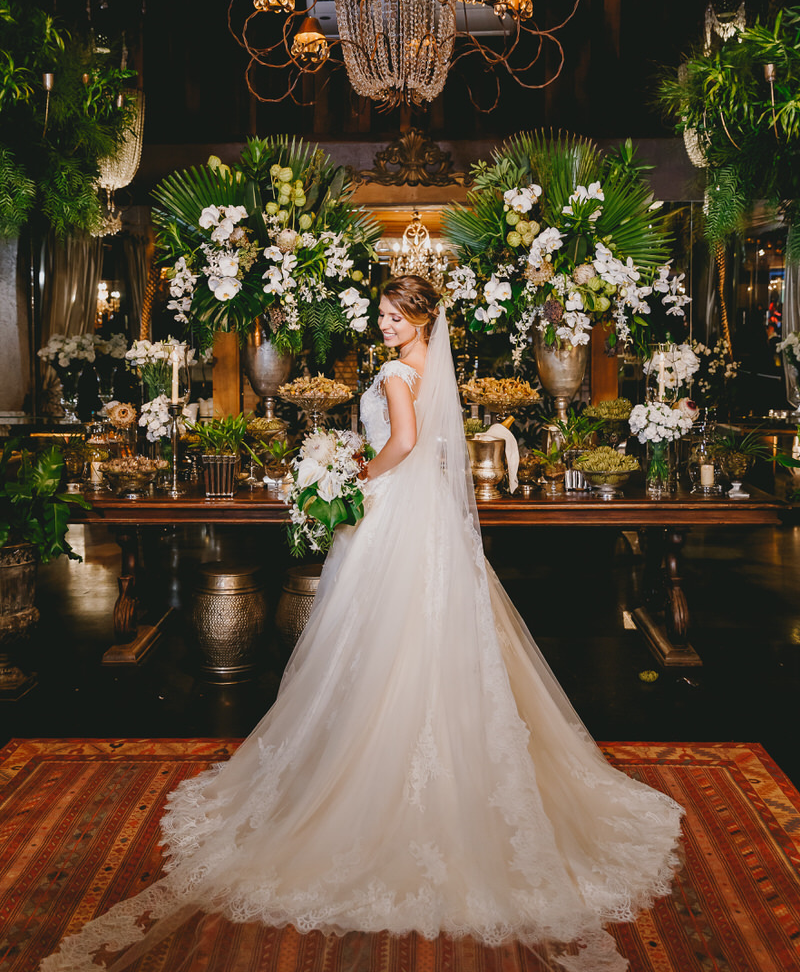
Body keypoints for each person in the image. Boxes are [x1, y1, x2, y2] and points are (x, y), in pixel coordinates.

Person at [42, 275, 683, 972]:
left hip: (394, 516)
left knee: (378, 637)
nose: (380, 323)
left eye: (390, 314)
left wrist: (358, 479)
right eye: (379, 313)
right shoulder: (425, 370)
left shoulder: (392, 374)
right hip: (427, 520)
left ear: (419, 318)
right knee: (433, 639)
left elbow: (404, 443)